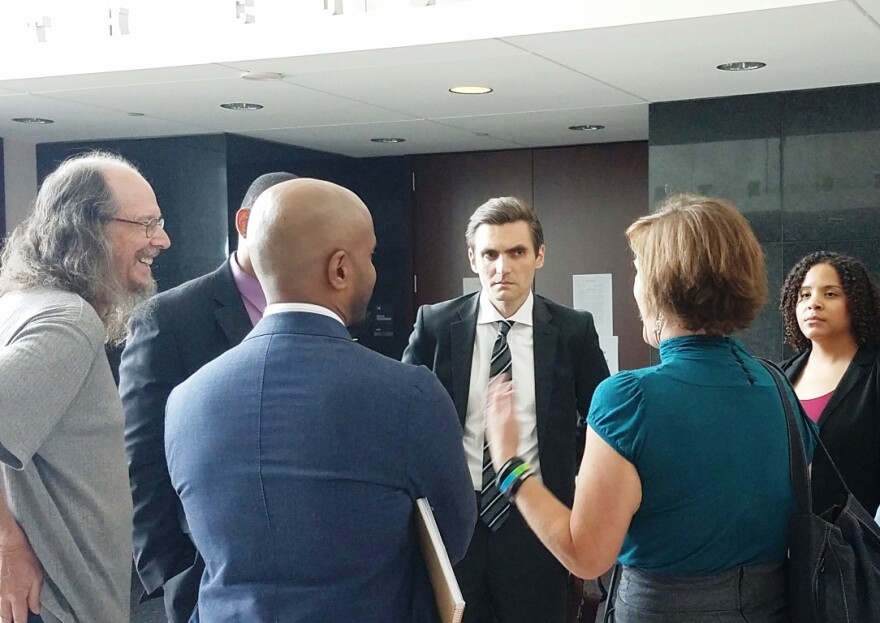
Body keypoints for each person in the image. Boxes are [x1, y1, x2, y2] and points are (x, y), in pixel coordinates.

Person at [485, 194, 815, 622]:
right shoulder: (780, 387)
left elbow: (586, 557)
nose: (635, 285)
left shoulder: (629, 399)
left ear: (664, 284)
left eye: (638, 270)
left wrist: (509, 464)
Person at [165, 178, 476, 622]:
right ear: (340, 270)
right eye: (370, 256)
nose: (373, 270)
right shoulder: (408, 393)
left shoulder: (185, 400)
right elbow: (451, 542)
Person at [402, 196, 609, 623]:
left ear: (539, 256)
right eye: (490, 254)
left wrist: (573, 480)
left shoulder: (573, 329)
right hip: (456, 518)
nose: (503, 267)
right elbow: (404, 417)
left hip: (538, 519)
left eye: (516, 252)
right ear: (473, 259)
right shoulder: (436, 325)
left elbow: (603, 420)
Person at [0, 152, 171, 623]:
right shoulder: (67, 320)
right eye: (146, 224)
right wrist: (6, 546)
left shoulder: (23, 304)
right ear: (88, 228)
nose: (162, 239)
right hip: (53, 606)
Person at [119, 171, 297, 623]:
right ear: (244, 223)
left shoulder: (317, 304)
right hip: (204, 569)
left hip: (300, 570)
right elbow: (141, 454)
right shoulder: (170, 317)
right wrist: (171, 571)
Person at [779, 251, 880, 517]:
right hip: (779, 543)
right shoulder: (779, 376)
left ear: (856, 303)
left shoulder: (874, 373)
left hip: (852, 545)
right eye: (804, 295)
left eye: (830, 294)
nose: (814, 304)